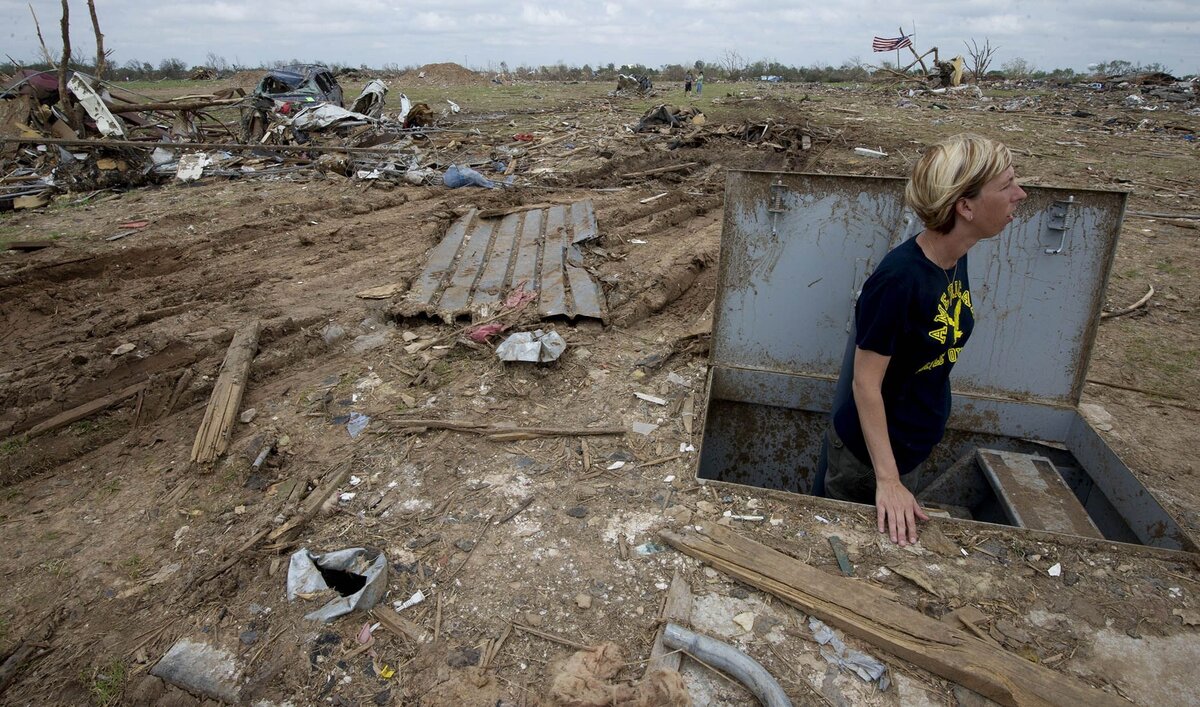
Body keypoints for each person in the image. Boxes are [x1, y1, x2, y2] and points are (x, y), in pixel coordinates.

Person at [816, 133, 1027, 546]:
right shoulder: (899, 281)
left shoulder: (954, 255)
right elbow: (865, 382)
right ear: (965, 207)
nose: (1020, 193)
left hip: (909, 449)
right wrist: (888, 480)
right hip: (868, 464)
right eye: (1006, 186)